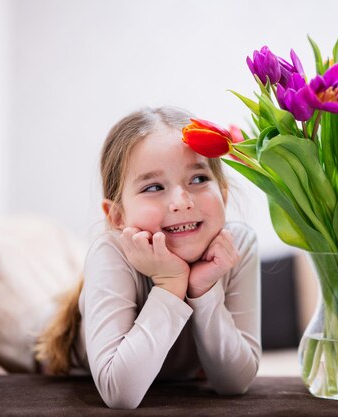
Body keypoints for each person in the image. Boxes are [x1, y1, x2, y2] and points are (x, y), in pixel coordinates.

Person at [35, 107, 261, 409]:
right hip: (49, 358)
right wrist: (170, 284)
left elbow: (235, 382)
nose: (181, 202)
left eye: (198, 179)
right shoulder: (111, 252)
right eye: (153, 187)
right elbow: (120, 393)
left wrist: (205, 291)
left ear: (224, 193)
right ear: (116, 216)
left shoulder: (237, 246)